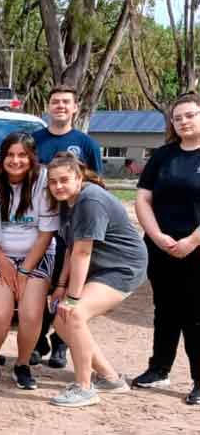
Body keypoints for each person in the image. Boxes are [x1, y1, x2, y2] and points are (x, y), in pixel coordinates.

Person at [46, 153, 146, 407]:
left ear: (79, 177)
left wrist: (73, 298)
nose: (58, 186)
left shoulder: (90, 199)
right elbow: (71, 247)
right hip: (100, 267)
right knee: (61, 320)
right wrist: (60, 287)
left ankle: (84, 387)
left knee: (75, 314)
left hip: (123, 267)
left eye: (65, 180)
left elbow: (83, 252)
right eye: (53, 181)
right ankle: (111, 378)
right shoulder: (68, 201)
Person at [131, 92, 200, 404]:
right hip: (161, 248)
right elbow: (143, 197)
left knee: (195, 315)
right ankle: (159, 368)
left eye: (190, 115)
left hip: (196, 249)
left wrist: (192, 241)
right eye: (178, 117)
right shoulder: (163, 156)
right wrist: (156, 235)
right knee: (166, 311)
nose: (183, 121)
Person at [0, 132, 57, 389]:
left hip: (36, 255)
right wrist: (1, 260)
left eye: (22, 155)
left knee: (30, 314)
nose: (16, 160)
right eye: (10, 155)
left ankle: (22, 365)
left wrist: (24, 270)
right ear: (2, 158)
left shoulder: (43, 181)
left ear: (32, 157)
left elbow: (46, 234)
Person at [32, 84, 103, 369]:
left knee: (72, 284)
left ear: (75, 108)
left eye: (66, 102)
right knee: (42, 285)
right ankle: (38, 341)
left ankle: (61, 345)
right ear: (48, 107)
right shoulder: (34, 140)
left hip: (75, 227)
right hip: (43, 224)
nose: (60, 106)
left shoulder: (86, 144)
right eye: (55, 102)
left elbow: (98, 184)